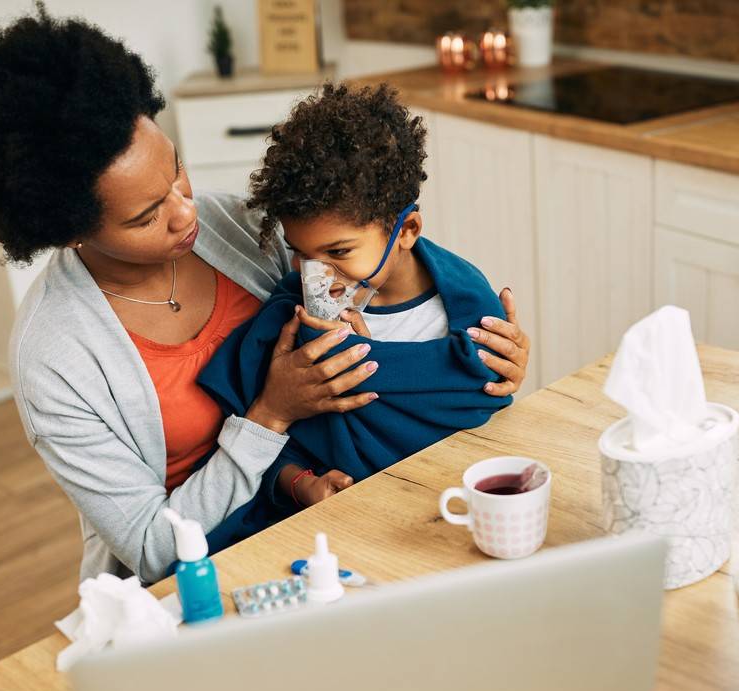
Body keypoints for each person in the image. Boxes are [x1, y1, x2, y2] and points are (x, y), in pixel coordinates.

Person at [0, 7, 531, 584]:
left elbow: (378, 253)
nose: (185, 213)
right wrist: (272, 413)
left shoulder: (239, 226)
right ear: (67, 229)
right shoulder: (55, 358)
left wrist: (484, 347)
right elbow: (152, 550)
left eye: (175, 171)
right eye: (147, 216)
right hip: (202, 570)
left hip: (332, 512)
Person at [199, 83, 511, 535]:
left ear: (407, 230)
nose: (317, 277)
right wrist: (302, 485)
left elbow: (493, 416)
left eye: (339, 251)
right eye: (300, 254)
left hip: (456, 517)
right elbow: (262, 441)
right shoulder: (289, 321)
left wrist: (375, 358)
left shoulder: (468, 310)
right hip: (346, 532)